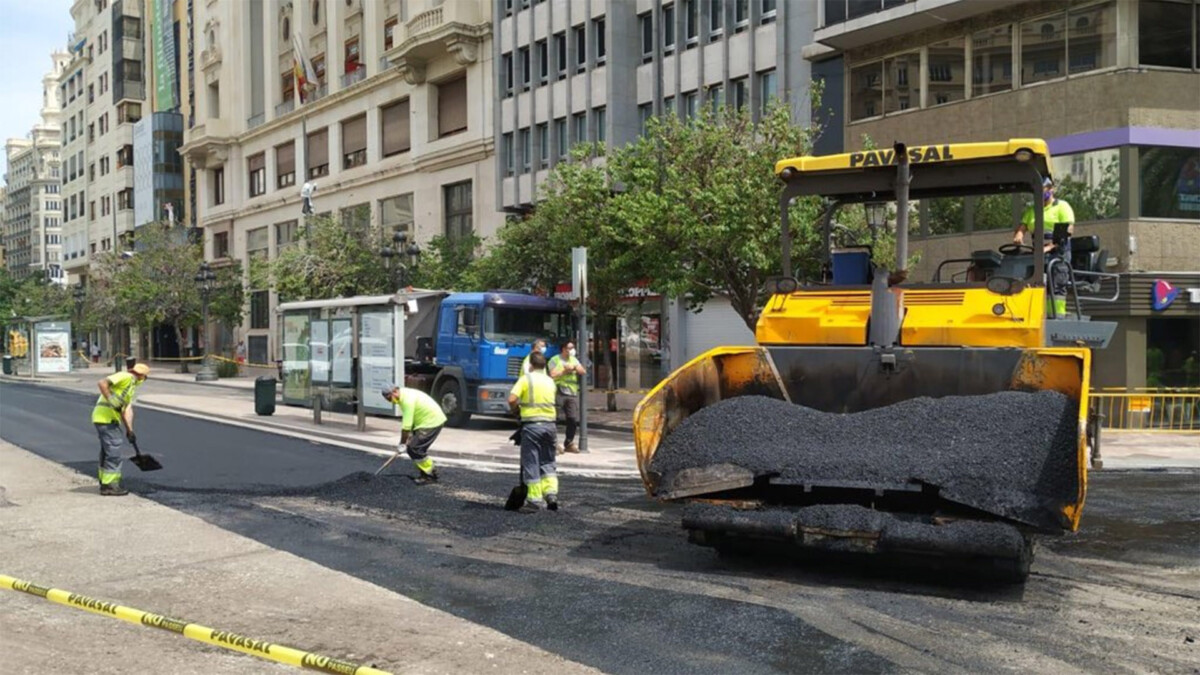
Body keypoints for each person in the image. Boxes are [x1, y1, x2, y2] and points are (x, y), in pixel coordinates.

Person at [1013, 176, 1075, 317]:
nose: (1040, 193)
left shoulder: (1062, 207)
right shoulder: (1032, 210)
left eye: (1043, 189)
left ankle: (1056, 315)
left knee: (1057, 283)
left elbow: (1068, 231)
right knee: (1033, 282)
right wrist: (1019, 234)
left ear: (1051, 189)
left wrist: (1050, 246)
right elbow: (1023, 226)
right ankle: (1036, 315)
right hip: (1039, 252)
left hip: (1059, 251)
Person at [507, 351, 559, 512]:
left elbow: (512, 399)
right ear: (544, 366)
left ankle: (535, 501)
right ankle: (551, 494)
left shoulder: (526, 379)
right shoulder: (550, 382)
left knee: (531, 462)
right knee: (548, 461)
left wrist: (515, 411)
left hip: (532, 426)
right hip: (550, 426)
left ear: (530, 365)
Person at [91, 362, 150, 496]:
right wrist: (111, 399)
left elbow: (126, 410)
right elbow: (102, 383)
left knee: (107, 452)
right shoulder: (125, 376)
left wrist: (130, 430)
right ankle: (110, 486)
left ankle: (105, 481)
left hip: (107, 419)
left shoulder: (130, 387)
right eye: (144, 377)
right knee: (114, 452)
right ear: (142, 376)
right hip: (105, 418)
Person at [381, 383, 447, 484]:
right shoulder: (404, 395)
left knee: (414, 448)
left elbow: (406, 426)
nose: (390, 401)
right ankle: (428, 472)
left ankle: (429, 475)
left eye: (389, 398)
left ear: (394, 392)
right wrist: (410, 435)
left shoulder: (407, 400)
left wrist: (402, 443)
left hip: (432, 422)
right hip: (423, 421)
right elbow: (410, 420)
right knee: (416, 448)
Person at [548, 340, 586, 454]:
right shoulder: (555, 359)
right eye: (570, 348)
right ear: (564, 349)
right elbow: (552, 374)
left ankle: (569, 442)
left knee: (572, 419)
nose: (572, 350)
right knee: (554, 419)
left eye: (573, 347)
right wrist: (564, 371)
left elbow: (582, 371)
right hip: (558, 392)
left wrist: (574, 367)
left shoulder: (573, 360)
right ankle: (553, 443)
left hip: (571, 393)